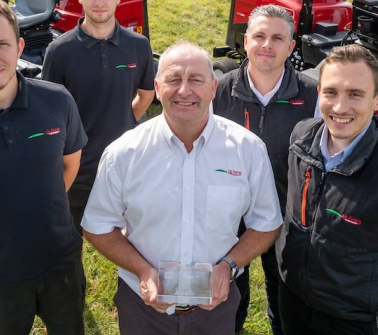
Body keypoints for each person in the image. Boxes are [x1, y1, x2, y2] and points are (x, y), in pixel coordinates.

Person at [82, 41, 283, 335]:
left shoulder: (247, 149)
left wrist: (229, 265)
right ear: (157, 87)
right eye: (173, 79)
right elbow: (97, 225)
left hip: (215, 312)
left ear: (214, 87)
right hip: (143, 308)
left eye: (196, 80)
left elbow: (267, 223)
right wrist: (142, 270)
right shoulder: (124, 153)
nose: (184, 90)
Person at [0, 0, 88, 334]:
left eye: (2, 44)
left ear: (20, 46)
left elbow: (70, 164)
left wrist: (41, 207)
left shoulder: (57, 100)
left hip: (61, 262)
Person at [276, 44, 378, 335]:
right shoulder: (301, 137)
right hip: (292, 300)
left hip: (352, 320)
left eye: (355, 94)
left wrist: (360, 284)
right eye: (331, 92)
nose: (340, 107)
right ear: (318, 92)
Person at [213, 4, 319, 335]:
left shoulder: (313, 95)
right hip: (229, 220)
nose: (266, 45)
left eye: (277, 38)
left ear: (291, 47)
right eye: (259, 36)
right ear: (245, 42)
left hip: (287, 218)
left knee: (285, 304)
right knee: (229, 302)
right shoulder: (218, 92)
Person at [42, 0, 155, 234]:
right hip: (77, 165)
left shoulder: (138, 46)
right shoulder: (59, 51)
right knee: (69, 238)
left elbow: (146, 94)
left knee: (136, 238)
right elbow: (49, 110)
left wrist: (124, 121)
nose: (99, 2)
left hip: (127, 162)